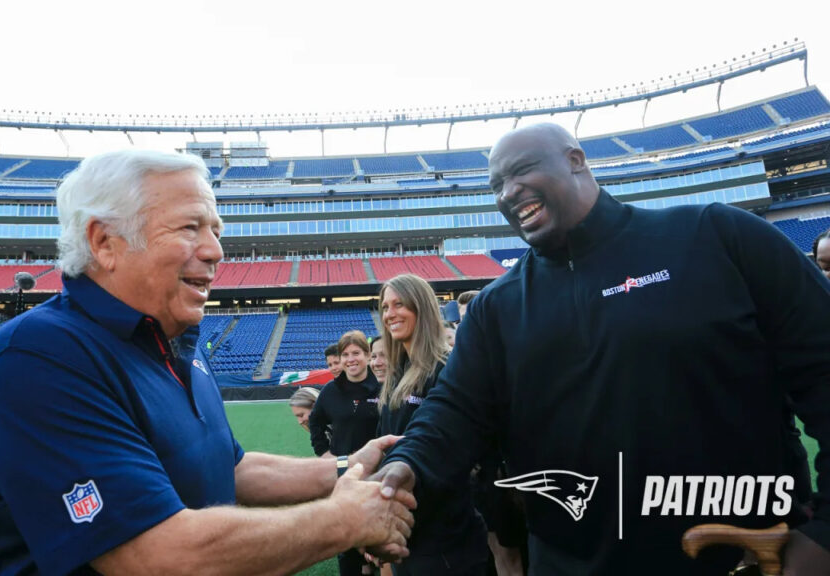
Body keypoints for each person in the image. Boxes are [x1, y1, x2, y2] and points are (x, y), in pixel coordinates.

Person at [372, 123, 830, 575]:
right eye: (496, 185)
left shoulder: (716, 237)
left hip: (743, 554)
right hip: (569, 563)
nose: (508, 192)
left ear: (575, 161)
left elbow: (821, 370)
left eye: (522, 171)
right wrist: (406, 466)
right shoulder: (497, 308)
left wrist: (825, 533)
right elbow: (456, 409)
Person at [0, 150, 415, 576]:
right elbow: (158, 554)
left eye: (215, 229)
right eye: (189, 228)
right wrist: (344, 521)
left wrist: (348, 466)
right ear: (104, 242)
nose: (216, 249)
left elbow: (231, 469)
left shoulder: (176, 341)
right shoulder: (40, 356)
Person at [377, 274, 488, 575]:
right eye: (385, 306)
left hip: (446, 539)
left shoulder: (447, 368)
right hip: (407, 531)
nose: (389, 314)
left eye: (399, 304)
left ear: (421, 307)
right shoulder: (398, 374)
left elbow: (458, 455)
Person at [309, 329, 383, 575]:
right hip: (343, 474)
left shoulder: (382, 386)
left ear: (368, 355)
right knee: (347, 537)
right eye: (345, 355)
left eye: (356, 353)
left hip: (378, 473)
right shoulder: (331, 390)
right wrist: (324, 453)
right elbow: (315, 421)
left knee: (378, 537)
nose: (351, 359)